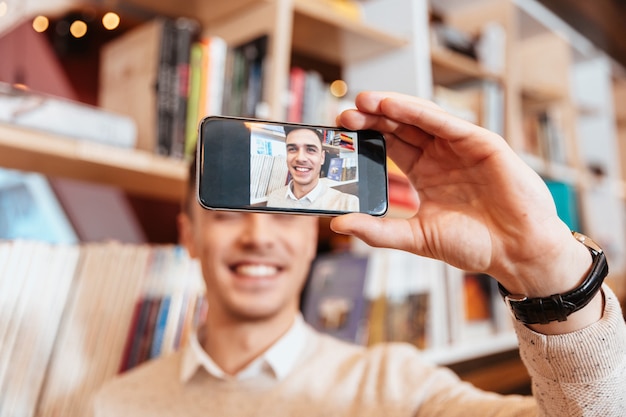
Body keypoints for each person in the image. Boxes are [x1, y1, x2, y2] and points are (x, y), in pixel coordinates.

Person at [93, 91, 626, 416]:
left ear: (314, 235)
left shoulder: (399, 386)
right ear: (188, 235)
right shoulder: (114, 405)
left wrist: (543, 267)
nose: (259, 237)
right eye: (228, 212)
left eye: (284, 212)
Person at [266, 126, 360, 212]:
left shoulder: (349, 204)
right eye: (292, 149)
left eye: (311, 150)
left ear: (322, 157)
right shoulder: (273, 198)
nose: (300, 158)